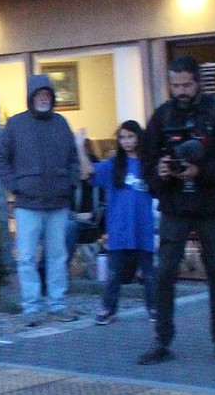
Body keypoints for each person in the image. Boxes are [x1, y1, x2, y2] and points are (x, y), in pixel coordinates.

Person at [137, 56, 215, 365]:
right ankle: (162, 341)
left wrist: (199, 170)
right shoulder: (162, 116)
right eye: (175, 85)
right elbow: (146, 165)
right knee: (164, 275)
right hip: (175, 206)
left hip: (211, 207)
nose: (181, 91)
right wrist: (161, 172)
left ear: (198, 82)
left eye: (186, 84)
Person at [0, 75, 83, 326]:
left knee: (57, 256)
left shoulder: (61, 123)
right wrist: (15, 185)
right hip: (28, 204)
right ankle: (31, 307)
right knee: (26, 257)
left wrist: (70, 182)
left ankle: (57, 304)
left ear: (52, 97)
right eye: (39, 94)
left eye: (47, 95)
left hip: (58, 203)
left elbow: (74, 158)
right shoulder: (15, 124)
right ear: (31, 97)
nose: (44, 98)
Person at [91, 121, 156, 326]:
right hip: (119, 227)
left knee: (149, 273)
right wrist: (78, 147)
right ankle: (109, 309)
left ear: (139, 137)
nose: (127, 141)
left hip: (143, 226)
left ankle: (154, 307)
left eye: (131, 137)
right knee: (113, 273)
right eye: (123, 137)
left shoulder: (148, 163)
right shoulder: (114, 164)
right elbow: (88, 173)